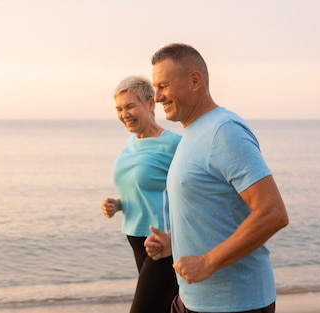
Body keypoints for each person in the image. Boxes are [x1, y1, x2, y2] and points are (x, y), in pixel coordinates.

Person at [144, 43, 289, 313]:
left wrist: (208, 262)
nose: (157, 97)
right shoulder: (193, 132)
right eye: (155, 87)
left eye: (163, 86)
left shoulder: (224, 131)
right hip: (193, 299)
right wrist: (171, 241)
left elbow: (273, 213)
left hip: (235, 304)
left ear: (195, 80)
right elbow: (214, 208)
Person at [101, 75, 181, 313]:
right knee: (164, 308)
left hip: (161, 242)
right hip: (135, 237)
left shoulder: (174, 144)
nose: (124, 113)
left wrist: (177, 237)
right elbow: (142, 188)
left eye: (130, 106)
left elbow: (192, 191)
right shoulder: (131, 142)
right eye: (119, 108)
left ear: (150, 104)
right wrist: (117, 204)